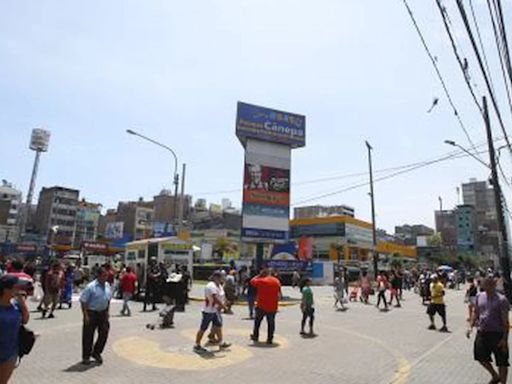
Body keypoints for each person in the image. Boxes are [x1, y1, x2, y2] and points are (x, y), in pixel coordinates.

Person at [467, 276, 510, 384]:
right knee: (480, 356)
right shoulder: (479, 296)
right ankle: (495, 376)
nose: (488, 287)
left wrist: (504, 339)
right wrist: (470, 326)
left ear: (494, 285)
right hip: (482, 332)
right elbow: (475, 312)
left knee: (502, 362)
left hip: (497, 334)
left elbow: (505, 322)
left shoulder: (501, 300)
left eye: (491, 284)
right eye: (486, 284)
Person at [0, 275, 30, 384]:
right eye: (16, 287)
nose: (19, 289)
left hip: (10, 352)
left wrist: (23, 304)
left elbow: (25, 320)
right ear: (6, 289)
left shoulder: (16, 304)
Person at [80, 267, 112, 365]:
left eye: (106, 275)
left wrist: (107, 311)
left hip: (103, 313)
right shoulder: (91, 287)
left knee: (104, 333)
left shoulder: (107, 285)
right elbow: (83, 301)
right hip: (91, 313)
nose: (106, 278)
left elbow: (108, 299)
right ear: (98, 276)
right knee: (88, 335)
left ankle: (96, 352)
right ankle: (86, 356)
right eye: (104, 275)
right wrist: (85, 315)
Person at [194, 271, 230, 353]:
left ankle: (220, 342)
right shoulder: (211, 286)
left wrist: (225, 302)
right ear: (216, 277)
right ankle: (197, 345)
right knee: (203, 328)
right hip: (208, 311)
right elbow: (214, 298)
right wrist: (224, 307)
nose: (223, 278)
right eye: (221, 277)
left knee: (218, 326)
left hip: (215, 311)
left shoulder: (219, 285)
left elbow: (221, 296)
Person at [250, 268, 281, 344]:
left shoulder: (261, 280)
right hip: (273, 306)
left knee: (257, 322)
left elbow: (252, 281)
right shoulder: (276, 281)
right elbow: (279, 293)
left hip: (261, 305)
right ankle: (270, 339)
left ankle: (255, 336)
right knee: (271, 323)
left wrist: (259, 275)